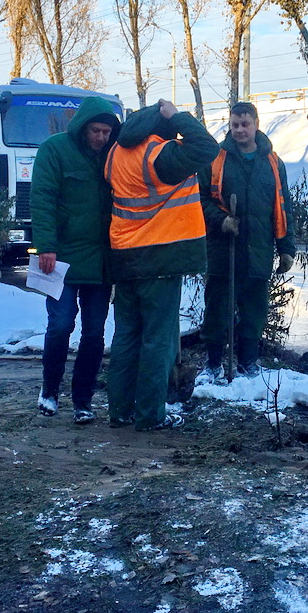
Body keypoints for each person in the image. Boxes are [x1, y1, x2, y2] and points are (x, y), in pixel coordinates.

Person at [104, 98, 220, 431]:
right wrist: (179, 116)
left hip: (123, 257)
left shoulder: (115, 153)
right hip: (159, 259)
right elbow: (206, 148)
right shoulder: (160, 155)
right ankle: (151, 415)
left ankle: (120, 411)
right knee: (157, 340)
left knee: (126, 336)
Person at [29, 98, 122, 424]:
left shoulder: (113, 155)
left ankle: (83, 400)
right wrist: (45, 247)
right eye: (95, 130)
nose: (100, 137)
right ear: (83, 126)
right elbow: (41, 199)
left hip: (100, 261)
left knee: (94, 333)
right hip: (62, 259)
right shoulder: (54, 150)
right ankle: (50, 391)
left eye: (106, 131)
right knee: (60, 326)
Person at [196, 101, 297, 382]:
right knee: (217, 311)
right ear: (230, 125)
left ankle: (248, 365)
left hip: (259, 252)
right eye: (235, 125)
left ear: (256, 124)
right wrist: (221, 220)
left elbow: (282, 206)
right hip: (222, 251)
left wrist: (286, 248)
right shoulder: (215, 160)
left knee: (253, 313)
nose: (240, 130)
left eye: (245, 124)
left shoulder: (273, 163)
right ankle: (214, 364)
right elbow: (199, 199)